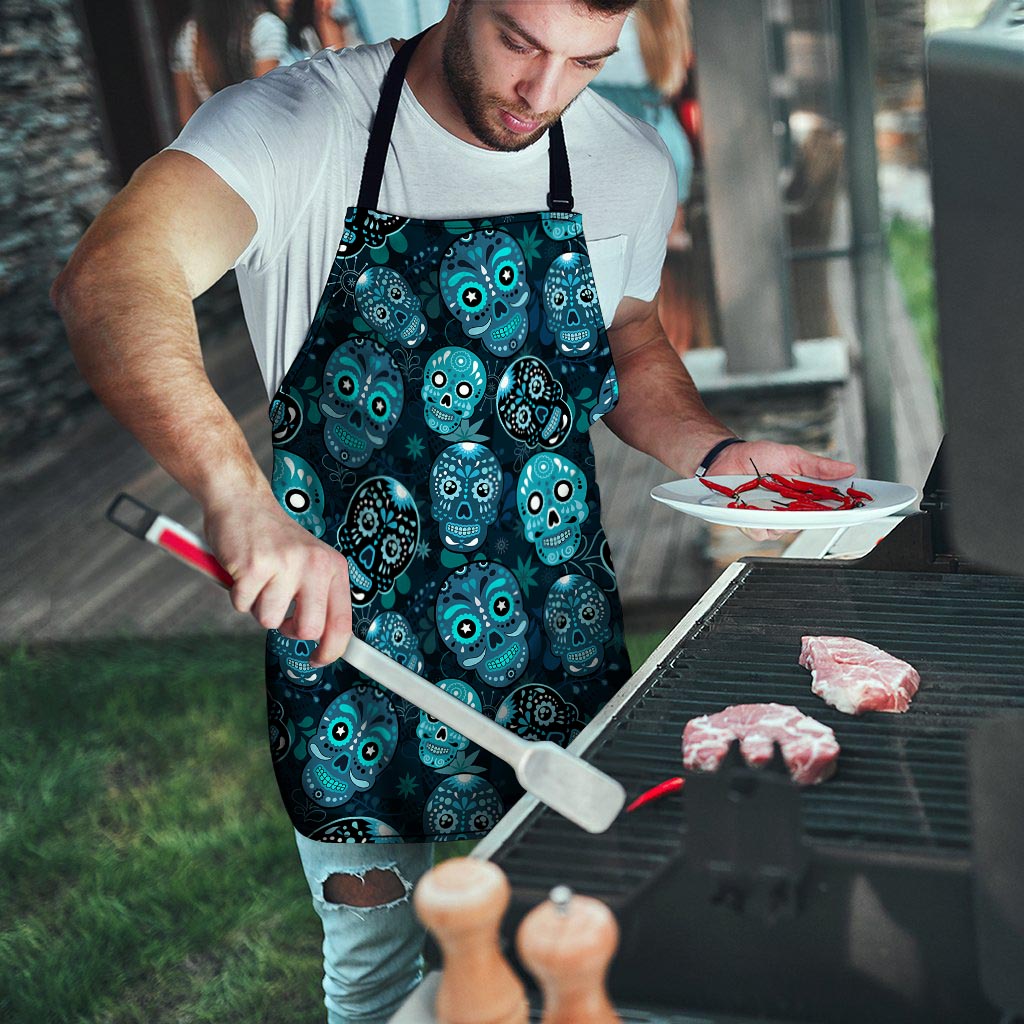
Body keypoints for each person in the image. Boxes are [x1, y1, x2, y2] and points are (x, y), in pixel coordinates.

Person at [52, 2, 856, 1020]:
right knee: (381, 977)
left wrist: (717, 449)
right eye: (521, 42)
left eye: (585, 62)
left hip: (555, 632)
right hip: (351, 656)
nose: (543, 93)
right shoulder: (298, 125)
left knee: (589, 942)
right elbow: (112, 275)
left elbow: (628, 334)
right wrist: (238, 497)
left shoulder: (625, 159)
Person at [171, 0, 289, 127]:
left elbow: (187, 116)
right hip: (263, 136)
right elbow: (266, 104)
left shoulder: (188, 35)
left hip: (215, 138)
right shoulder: (265, 27)